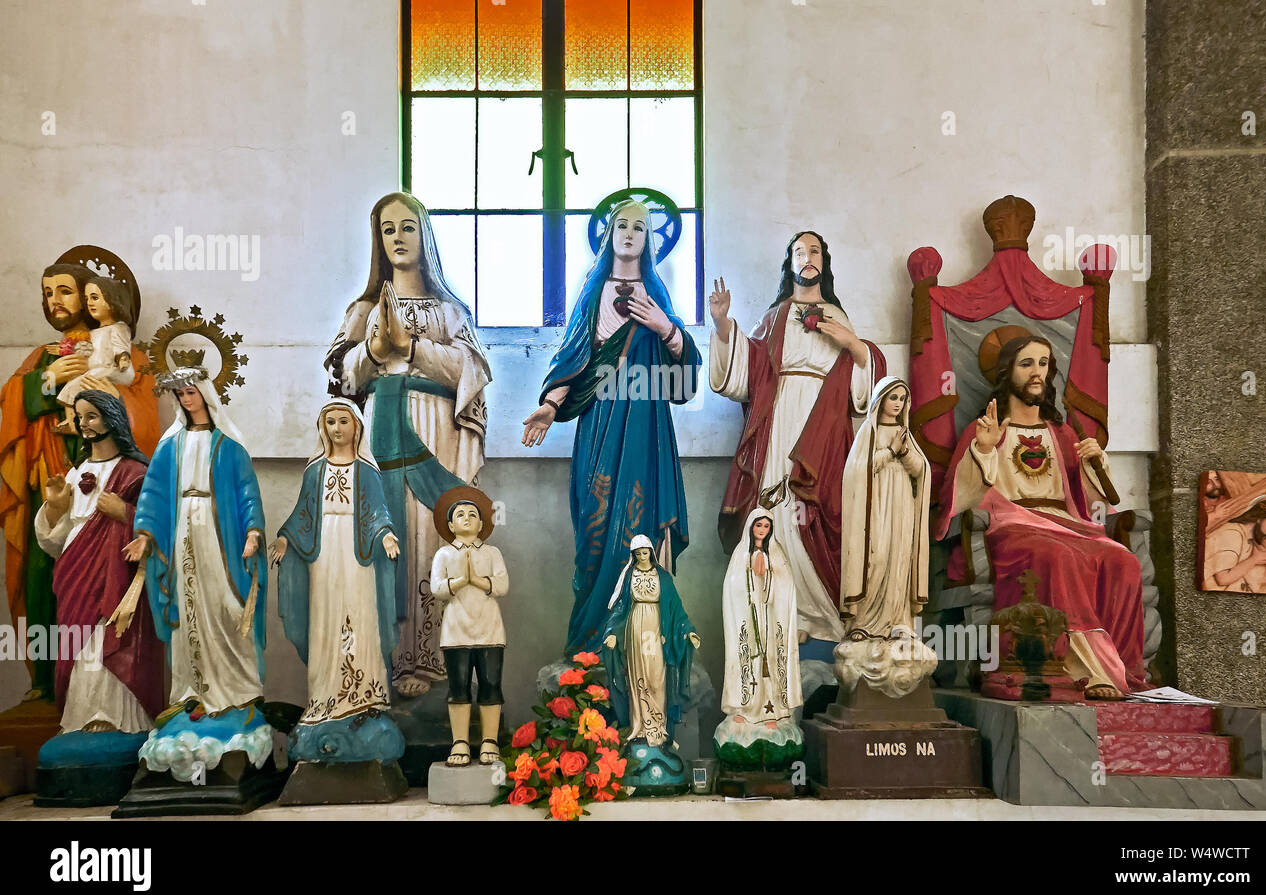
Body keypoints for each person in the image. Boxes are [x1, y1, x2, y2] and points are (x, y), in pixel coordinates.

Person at [325, 192, 491, 698]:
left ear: (425, 236)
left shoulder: (449, 310)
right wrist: (376, 349)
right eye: (387, 229)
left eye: (408, 227)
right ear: (378, 240)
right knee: (387, 528)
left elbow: (473, 370)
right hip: (382, 426)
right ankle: (385, 664)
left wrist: (412, 348)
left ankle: (437, 666)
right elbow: (341, 378)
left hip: (436, 427)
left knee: (432, 531)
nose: (398, 237)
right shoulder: (362, 310)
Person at [523, 199, 700, 655]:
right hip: (600, 419)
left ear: (648, 239)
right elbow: (573, 355)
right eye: (620, 226)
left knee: (638, 521)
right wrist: (550, 403)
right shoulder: (593, 289)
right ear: (608, 235)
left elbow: (685, 377)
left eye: (638, 228)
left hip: (644, 422)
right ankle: (590, 648)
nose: (628, 234)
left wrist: (666, 327)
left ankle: (641, 644)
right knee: (595, 526)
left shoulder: (657, 293)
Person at [933, 335, 1146, 698]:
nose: (1037, 373)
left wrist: (1095, 463)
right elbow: (958, 497)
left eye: (1044, 363)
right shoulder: (984, 429)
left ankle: (1124, 672)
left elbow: (1091, 500)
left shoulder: (1061, 433)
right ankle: (1077, 669)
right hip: (1011, 525)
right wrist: (983, 450)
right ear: (1007, 373)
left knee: (1123, 561)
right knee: (1053, 555)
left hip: (1068, 524)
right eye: (1026, 363)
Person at [709, 231, 884, 644]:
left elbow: (866, 393)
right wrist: (722, 327)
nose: (807, 257)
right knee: (778, 506)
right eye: (799, 252)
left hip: (823, 422)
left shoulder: (839, 316)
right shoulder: (773, 317)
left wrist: (855, 346)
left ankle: (818, 615)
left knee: (815, 506)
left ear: (825, 260)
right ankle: (775, 609)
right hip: (779, 418)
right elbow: (746, 372)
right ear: (789, 264)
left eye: (815, 251)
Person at [1, 261, 158, 702]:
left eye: (66, 291)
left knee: (106, 582)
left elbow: (140, 414)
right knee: (40, 575)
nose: (56, 301)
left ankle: (105, 686)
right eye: (48, 292)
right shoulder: (40, 358)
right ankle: (45, 680)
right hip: (50, 486)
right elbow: (13, 406)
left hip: (107, 483)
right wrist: (49, 381)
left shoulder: (123, 349)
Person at [124, 359, 271, 777]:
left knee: (226, 608)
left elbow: (247, 493)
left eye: (191, 392)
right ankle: (193, 691)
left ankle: (237, 692)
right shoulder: (170, 447)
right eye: (180, 394)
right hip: (183, 535)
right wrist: (147, 534)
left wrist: (254, 532)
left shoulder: (229, 446)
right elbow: (152, 494)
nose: (186, 399)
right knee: (189, 612)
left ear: (206, 394)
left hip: (219, 534)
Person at [272, 399, 402, 756]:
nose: (337, 428)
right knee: (325, 619)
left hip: (358, 555)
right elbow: (303, 513)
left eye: (343, 421)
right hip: (324, 552)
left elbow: (378, 512)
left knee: (361, 617)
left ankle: (364, 699)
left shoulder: (366, 470)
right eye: (330, 422)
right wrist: (286, 538)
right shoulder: (315, 470)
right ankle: (324, 699)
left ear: (356, 427)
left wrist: (386, 535)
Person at [32, 390, 162, 734]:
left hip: (118, 571)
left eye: (91, 416)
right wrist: (56, 507)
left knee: (110, 638)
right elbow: (54, 542)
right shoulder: (76, 473)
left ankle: (117, 719)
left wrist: (124, 513)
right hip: (77, 570)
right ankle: (80, 717)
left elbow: (164, 527)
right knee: (79, 643)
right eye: (80, 416)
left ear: (111, 418)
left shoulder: (137, 471)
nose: (84, 424)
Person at [840, 377, 931, 640]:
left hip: (901, 501)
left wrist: (903, 453)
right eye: (893, 398)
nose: (898, 404)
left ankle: (898, 622)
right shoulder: (868, 433)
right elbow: (860, 470)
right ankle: (864, 622)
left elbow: (920, 470)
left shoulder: (905, 434)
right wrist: (891, 451)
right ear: (880, 400)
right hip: (875, 504)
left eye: (902, 399)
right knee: (876, 556)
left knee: (899, 556)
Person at [714, 509, 802, 765]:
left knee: (772, 663)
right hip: (749, 621)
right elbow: (732, 588)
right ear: (751, 528)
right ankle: (743, 710)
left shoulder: (777, 556)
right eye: (758, 525)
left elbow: (787, 590)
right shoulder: (740, 555)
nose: (762, 530)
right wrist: (750, 578)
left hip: (770, 621)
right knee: (747, 661)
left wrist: (770, 576)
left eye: (766, 526)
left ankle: (774, 713)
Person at [429, 486, 508, 767]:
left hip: (489, 629)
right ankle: (459, 742)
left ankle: (490, 741)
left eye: (472, 514)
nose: (466, 518)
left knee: (490, 684)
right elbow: (437, 588)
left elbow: (502, 585)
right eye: (459, 514)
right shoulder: (444, 555)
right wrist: (461, 580)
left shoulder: (492, 552)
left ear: (482, 523)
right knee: (459, 687)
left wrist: (478, 579)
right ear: (449, 525)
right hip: (456, 631)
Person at [601, 535, 699, 748]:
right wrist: (612, 634)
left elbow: (676, 608)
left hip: (657, 627)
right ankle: (641, 727)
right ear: (633, 555)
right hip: (635, 628)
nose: (642, 557)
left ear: (652, 553)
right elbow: (620, 609)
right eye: (638, 554)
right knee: (638, 676)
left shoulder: (663, 577)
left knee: (657, 676)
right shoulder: (628, 576)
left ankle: (659, 727)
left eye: (645, 553)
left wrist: (688, 631)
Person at [53, 276, 135, 434]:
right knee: (73, 386)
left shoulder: (118, 328)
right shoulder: (92, 332)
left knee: (82, 383)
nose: (89, 302)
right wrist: (69, 349)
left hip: (113, 369)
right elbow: (89, 350)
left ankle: (78, 421)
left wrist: (122, 358)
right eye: (87, 298)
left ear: (112, 300)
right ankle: (71, 421)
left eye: (95, 298)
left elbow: (121, 346)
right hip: (95, 370)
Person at [1205, 497, 1266, 594]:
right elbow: (1223, 579)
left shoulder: (1250, 541)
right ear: (1260, 518)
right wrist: (1255, 559)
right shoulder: (1232, 533)